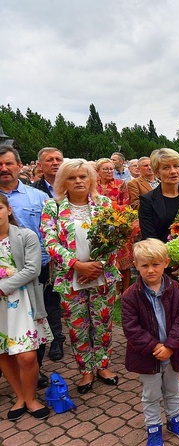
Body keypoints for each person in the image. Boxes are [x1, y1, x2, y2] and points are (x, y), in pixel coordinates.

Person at [40, 159, 121, 394]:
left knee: (102, 322)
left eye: (82, 177)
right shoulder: (51, 207)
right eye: (72, 177)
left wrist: (97, 266)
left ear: (91, 179)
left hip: (102, 275)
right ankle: (86, 370)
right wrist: (77, 265)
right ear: (62, 181)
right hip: (70, 278)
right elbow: (50, 241)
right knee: (78, 326)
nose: (78, 181)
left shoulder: (104, 204)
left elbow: (115, 238)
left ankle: (103, 365)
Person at [138, 148, 179, 391]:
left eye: (176, 166)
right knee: (166, 318)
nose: (173, 171)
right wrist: (170, 264)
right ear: (156, 172)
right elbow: (149, 237)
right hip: (162, 270)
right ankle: (170, 367)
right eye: (166, 167)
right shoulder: (148, 201)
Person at [122, 239, 179, 444]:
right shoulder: (131, 295)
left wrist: (171, 346)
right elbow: (131, 327)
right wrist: (155, 346)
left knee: (173, 390)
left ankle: (175, 419)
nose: (151, 270)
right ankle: (154, 428)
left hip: (173, 353)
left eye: (156, 264)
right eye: (144, 265)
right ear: (136, 265)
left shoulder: (176, 289)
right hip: (148, 356)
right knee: (151, 394)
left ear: (166, 263)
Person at [0, 194, 52, 421]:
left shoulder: (25, 236)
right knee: (4, 353)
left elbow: (33, 269)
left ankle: (31, 397)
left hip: (22, 303)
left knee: (27, 356)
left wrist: (3, 287)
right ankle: (20, 396)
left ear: (8, 209)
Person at [31, 147, 66, 362]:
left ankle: (58, 339)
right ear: (40, 166)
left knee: (57, 300)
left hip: (72, 254)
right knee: (46, 300)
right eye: (49, 160)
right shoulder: (36, 192)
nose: (55, 163)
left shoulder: (73, 185)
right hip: (45, 254)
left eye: (58, 159)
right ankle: (47, 341)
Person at [96, 158, 133, 293]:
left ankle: (127, 288)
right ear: (98, 171)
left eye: (111, 168)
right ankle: (115, 289)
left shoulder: (120, 184)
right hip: (100, 226)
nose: (109, 171)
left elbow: (126, 203)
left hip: (120, 224)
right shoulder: (93, 186)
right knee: (110, 258)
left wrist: (113, 208)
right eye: (105, 169)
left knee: (125, 259)